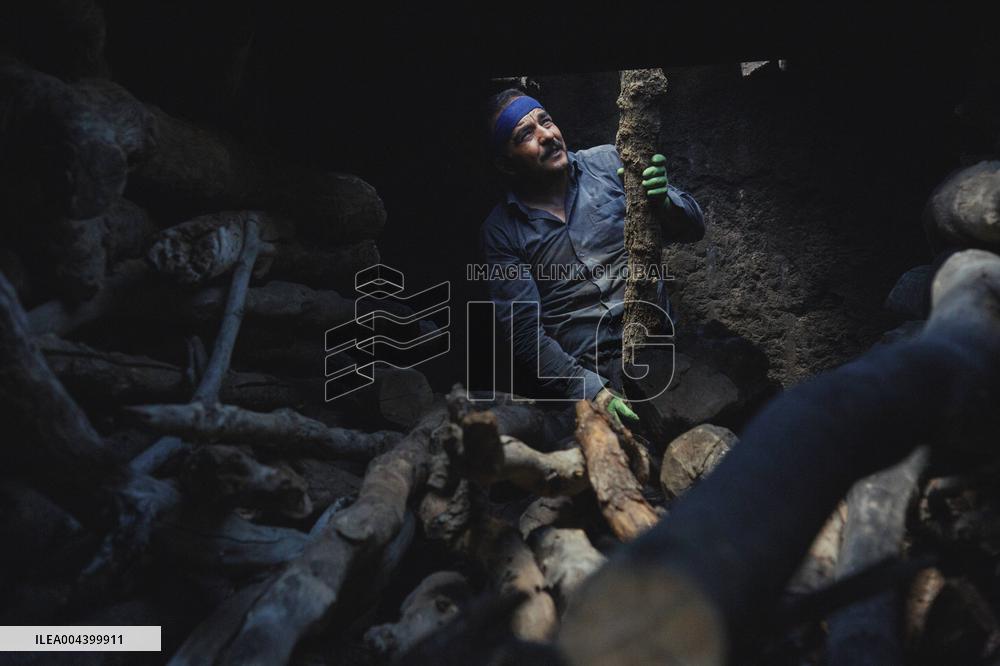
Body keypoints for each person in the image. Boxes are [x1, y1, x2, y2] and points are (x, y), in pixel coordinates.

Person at [478, 89, 705, 424]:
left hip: (661, 353)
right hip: (588, 375)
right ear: (505, 163)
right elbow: (524, 334)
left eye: (546, 121)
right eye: (525, 134)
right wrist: (591, 391)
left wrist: (665, 204)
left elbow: (694, 228)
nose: (546, 135)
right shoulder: (502, 231)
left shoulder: (608, 163)